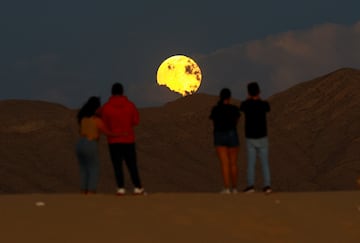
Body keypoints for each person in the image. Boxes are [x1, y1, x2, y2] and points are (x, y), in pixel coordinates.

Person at [99, 83, 144, 196]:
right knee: (132, 165)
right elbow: (135, 121)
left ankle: (120, 188)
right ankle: (138, 187)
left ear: (112, 92)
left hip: (113, 141)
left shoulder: (106, 107)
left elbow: (104, 122)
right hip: (128, 139)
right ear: (122, 91)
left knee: (117, 165)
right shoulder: (130, 105)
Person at [76, 96, 115, 194]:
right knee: (93, 168)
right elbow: (107, 132)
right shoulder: (96, 120)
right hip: (90, 143)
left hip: (80, 143)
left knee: (83, 168)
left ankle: (83, 190)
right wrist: (121, 134)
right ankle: (91, 190)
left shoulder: (83, 119)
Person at [239, 82, 272, 194]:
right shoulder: (263, 104)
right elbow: (268, 108)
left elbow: (241, 107)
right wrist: (259, 98)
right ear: (258, 91)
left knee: (251, 163)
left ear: (248, 92)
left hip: (250, 137)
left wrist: (249, 98)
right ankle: (267, 186)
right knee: (264, 163)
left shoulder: (246, 104)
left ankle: (250, 185)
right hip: (262, 136)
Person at [209, 88, 240, 194]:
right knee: (233, 163)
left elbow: (213, 123)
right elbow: (236, 121)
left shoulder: (216, 109)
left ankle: (227, 188)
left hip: (219, 135)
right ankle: (235, 188)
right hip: (232, 134)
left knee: (224, 163)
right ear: (229, 97)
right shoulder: (234, 109)